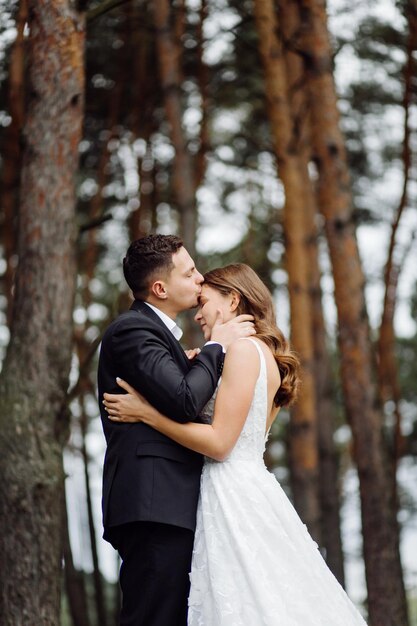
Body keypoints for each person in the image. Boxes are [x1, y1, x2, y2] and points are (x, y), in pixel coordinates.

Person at [103, 263, 369, 626]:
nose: (197, 314)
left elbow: (220, 444)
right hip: (236, 489)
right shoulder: (251, 354)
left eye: (205, 303)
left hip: (231, 493)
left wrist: (148, 414)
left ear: (232, 300)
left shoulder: (244, 351)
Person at [97, 237, 256, 626]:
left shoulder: (164, 339)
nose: (200, 278)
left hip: (173, 504)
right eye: (189, 272)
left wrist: (195, 361)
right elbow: (185, 401)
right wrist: (216, 347)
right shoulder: (132, 330)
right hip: (155, 506)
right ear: (160, 289)